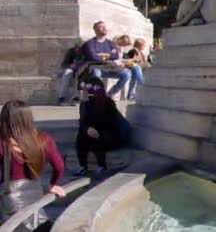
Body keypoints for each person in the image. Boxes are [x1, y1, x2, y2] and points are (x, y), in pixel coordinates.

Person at [0, 101, 65, 230]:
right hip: (34, 197)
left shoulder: (3, 144)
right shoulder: (43, 140)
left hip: (8, 203)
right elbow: (59, 167)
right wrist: (52, 185)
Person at [73, 77, 125, 176]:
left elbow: (111, 122)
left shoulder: (108, 103)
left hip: (108, 133)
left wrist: (96, 131)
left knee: (100, 138)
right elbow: (82, 121)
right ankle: (82, 166)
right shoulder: (85, 103)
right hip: (91, 131)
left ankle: (102, 166)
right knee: (81, 137)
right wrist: (87, 128)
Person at [82, 21, 131, 98]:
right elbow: (93, 57)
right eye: (101, 27)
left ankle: (110, 94)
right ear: (95, 30)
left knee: (126, 74)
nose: (104, 28)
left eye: (105, 27)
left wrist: (103, 55)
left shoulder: (111, 44)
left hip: (110, 67)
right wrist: (109, 55)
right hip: (97, 67)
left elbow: (116, 56)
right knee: (96, 74)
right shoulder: (90, 43)